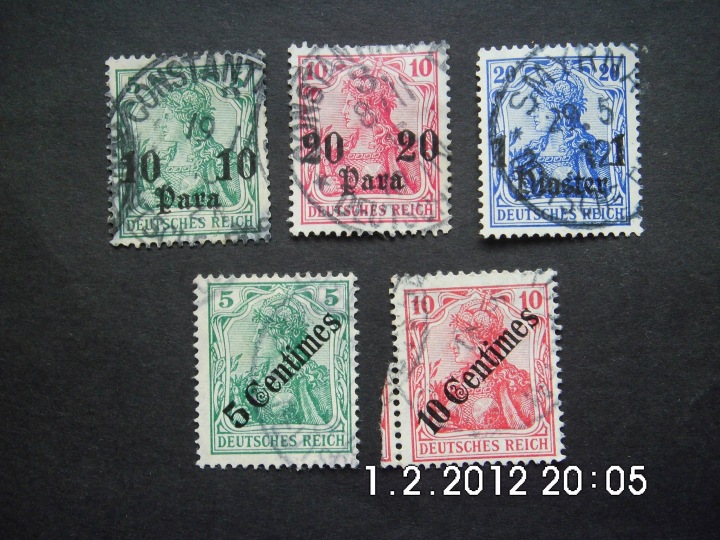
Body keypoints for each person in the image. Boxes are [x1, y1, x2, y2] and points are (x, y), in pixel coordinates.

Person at [319, 65, 421, 196]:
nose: (344, 111)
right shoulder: (338, 153)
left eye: (349, 104)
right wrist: (327, 189)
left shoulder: (399, 152)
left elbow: (415, 195)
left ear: (368, 110)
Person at [137, 83, 241, 210]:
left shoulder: (221, 161)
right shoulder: (158, 164)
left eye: (168, 118)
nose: (162, 124)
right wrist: (147, 199)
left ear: (188, 121)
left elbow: (235, 202)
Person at [439, 295, 535, 431]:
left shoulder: (514, 383)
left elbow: (530, 422)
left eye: (459, 340)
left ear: (480, 345)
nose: (452, 346)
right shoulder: (455, 384)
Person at [509, 70, 610, 198]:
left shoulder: (588, 153)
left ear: (558, 113)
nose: (533, 113)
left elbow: (602, 194)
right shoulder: (531, 152)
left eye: (539, 107)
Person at [243, 292, 332, 426]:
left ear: (280, 338)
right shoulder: (254, 379)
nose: (255, 339)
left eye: (261, 333)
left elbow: (322, 425)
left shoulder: (313, 378)